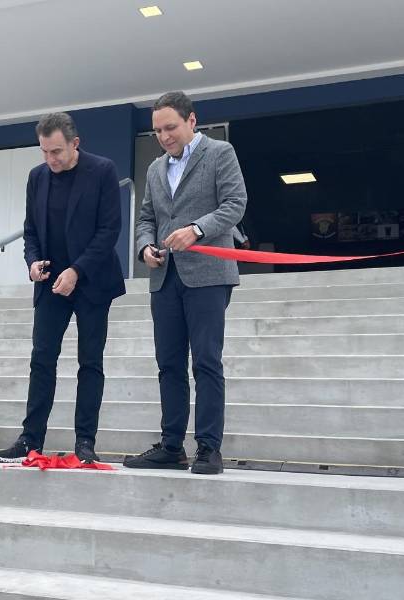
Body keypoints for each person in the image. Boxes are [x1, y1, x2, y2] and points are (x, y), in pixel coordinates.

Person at [0, 112, 125, 464]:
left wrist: (77, 271)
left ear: (75, 144)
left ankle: (85, 443)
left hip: (91, 281)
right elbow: (31, 231)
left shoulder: (103, 170)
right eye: (45, 152)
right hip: (50, 283)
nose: (51, 159)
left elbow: (109, 230)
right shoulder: (37, 178)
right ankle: (29, 439)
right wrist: (32, 263)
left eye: (57, 152)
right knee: (41, 360)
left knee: (90, 362)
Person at [124, 91, 248, 475]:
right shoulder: (155, 169)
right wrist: (145, 247)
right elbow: (146, 218)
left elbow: (235, 203)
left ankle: (209, 448)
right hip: (164, 278)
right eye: (158, 130)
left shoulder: (220, 153)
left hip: (209, 276)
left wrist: (196, 229)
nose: (163, 136)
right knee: (169, 364)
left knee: (207, 362)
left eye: (170, 127)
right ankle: (171, 445)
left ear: (192, 121)